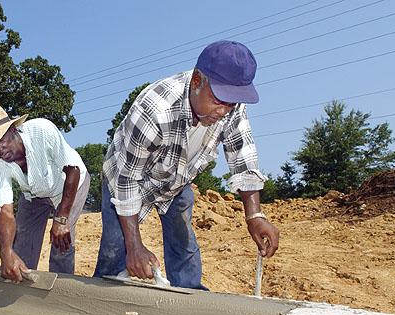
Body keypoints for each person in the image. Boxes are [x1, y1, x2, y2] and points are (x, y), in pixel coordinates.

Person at [93, 40, 279, 290]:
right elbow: (128, 181)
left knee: (184, 246)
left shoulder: (231, 106)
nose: (224, 111)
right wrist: (134, 245)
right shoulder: (154, 110)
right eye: (218, 100)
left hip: (176, 183)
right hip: (127, 180)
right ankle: (103, 306)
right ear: (196, 81)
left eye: (231, 103)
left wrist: (254, 216)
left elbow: (242, 158)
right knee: (116, 248)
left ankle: (187, 303)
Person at [0, 103, 89, 281]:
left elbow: (73, 171)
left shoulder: (42, 130)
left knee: (61, 242)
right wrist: (5, 252)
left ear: (14, 129)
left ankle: (62, 289)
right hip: (33, 194)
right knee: (20, 248)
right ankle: (21, 287)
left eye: (0, 140)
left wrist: (61, 219)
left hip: (69, 184)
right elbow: (5, 211)